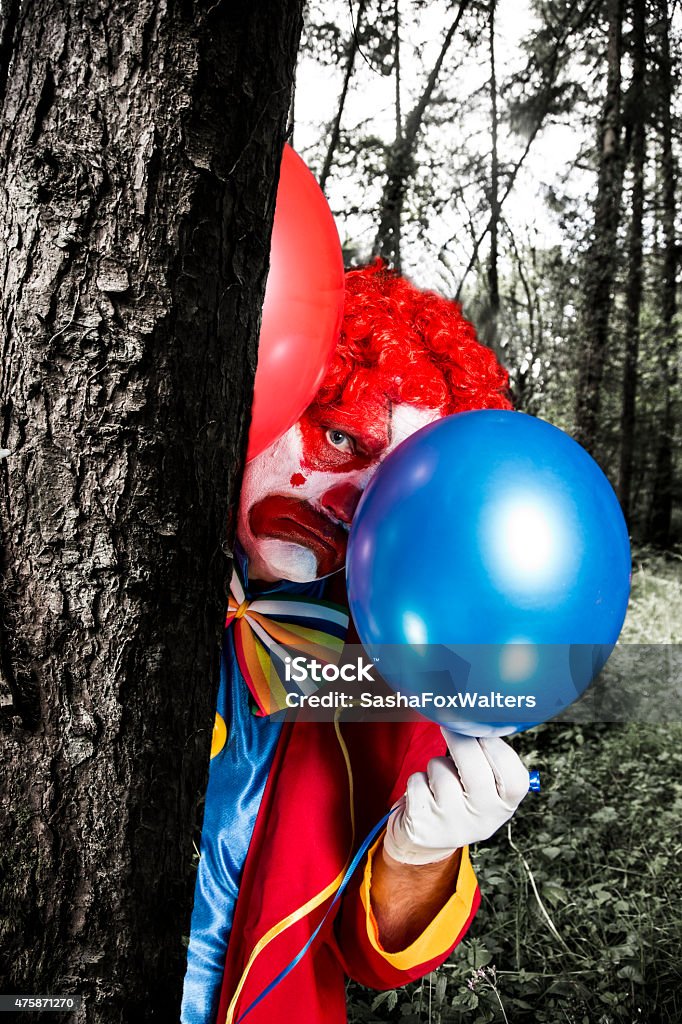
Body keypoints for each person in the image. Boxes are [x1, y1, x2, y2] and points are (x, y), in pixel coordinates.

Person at [181, 261, 530, 1024]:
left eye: (391, 487)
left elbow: (378, 957)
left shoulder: (397, 669)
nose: (349, 505)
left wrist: (422, 849)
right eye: (341, 438)